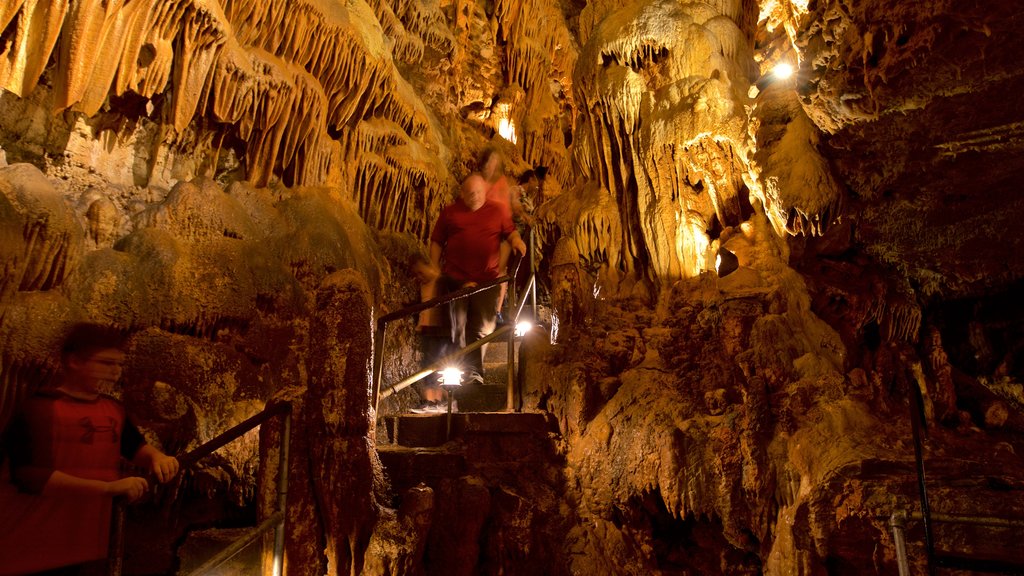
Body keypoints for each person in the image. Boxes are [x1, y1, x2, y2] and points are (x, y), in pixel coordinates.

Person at [0, 323, 180, 575]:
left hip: (80, 541)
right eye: (106, 363)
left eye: (119, 364)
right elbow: (30, 476)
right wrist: (107, 489)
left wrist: (156, 457)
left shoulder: (113, 409)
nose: (115, 372)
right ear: (74, 361)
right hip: (28, 540)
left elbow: (132, 446)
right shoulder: (39, 409)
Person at [430, 173, 526, 385]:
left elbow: (510, 232)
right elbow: (437, 240)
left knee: (480, 327)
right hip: (456, 279)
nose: (474, 197)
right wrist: (434, 268)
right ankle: (458, 370)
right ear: (462, 193)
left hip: (486, 280)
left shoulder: (497, 211)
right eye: (470, 193)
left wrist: (517, 241)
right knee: (458, 325)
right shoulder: (450, 213)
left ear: (485, 191)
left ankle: (473, 371)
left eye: (478, 192)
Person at [408, 253, 454, 413]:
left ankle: (439, 400)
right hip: (426, 330)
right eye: (417, 274)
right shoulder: (423, 285)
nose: (419, 276)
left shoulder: (443, 282)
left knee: (436, 364)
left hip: (441, 331)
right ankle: (431, 400)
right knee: (428, 364)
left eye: (421, 272)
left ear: (429, 266)